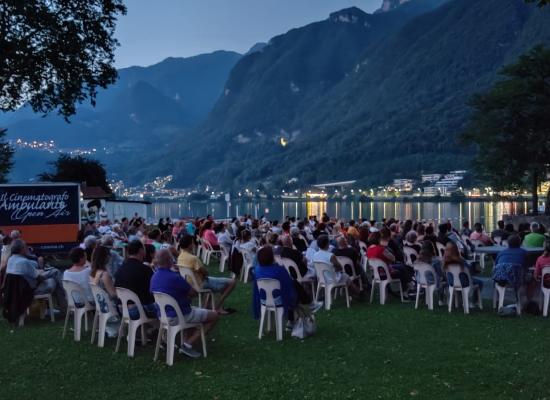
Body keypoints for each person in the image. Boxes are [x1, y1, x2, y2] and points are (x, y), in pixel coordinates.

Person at [150, 249, 219, 359]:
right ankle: (188, 344)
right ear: (170, 261)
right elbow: (194, 292)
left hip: (162, 316)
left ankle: (187, 341)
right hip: (179, 315)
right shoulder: (175, 277)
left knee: (192, 310)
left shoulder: (154, 277)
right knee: (214, 315)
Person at [252, 246, 313, 326]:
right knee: (293, 289)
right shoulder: (279, 270)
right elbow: (288, 287)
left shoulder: (257, 270)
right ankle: (306, 304)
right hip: (279, 299)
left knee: (293, 287)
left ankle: (304, 305)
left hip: (264, 300)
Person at [177, 235, 236, 314]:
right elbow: (205, 272)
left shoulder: (180, 257)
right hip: (200, 284)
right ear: (190, 245)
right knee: (232, 282)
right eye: (193, 243)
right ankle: (218, 306)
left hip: (189, 284)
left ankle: (207, 306)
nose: (194, 244)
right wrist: (205, 275)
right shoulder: (193, 258)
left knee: (211, 281)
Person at [6, 239, 66, 311]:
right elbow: (39, 278)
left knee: (53, 274)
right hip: (29, 292)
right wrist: (45, 272)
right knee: (55, 274)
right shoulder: (24, 262)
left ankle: (61, 306)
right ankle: (65, 302)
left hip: (17, 292)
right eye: (26, 246)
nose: (27, 248)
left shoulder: (11, 260)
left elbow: (28, 274)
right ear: (21, 249)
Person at [114, 240, 157, 319]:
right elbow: (156, 290)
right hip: (137, 310)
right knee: (167, 305)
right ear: (141, 250)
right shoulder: (145, 269)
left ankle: (150, 328)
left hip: (121, 309)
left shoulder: (120, 269)